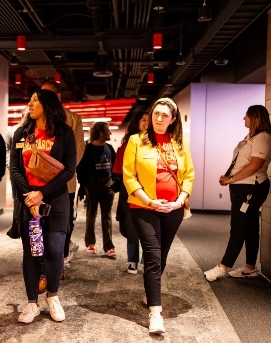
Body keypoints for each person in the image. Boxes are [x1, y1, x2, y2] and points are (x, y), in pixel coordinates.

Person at [123, 97, 194, 334]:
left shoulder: (179, 144)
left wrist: (179, 201)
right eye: (156, 114)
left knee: (161, 255)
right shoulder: (136, 141)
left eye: (164, 115)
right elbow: (129, 176)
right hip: (144, 208)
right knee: (153, 256)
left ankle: (149, 292)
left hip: (173, 209)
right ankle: (155, 313)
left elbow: (189, 176)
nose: (159, 118)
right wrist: (150, 201)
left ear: (173, 120)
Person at [9, 89, 76, 323]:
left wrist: (42, 193)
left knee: (55, 250)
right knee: (31, 252)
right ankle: (31, 303)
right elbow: (15, 169)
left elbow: (69, 169)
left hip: (56, 200)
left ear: (48, 105)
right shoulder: (21, 134)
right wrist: (30, 195)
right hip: (28, 202)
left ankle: (52, 296)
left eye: (35, 100)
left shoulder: (65, 134)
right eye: (29, 100)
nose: (29, 103)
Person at [204, 105, 271, 281]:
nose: (244, 118)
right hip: (242, 187)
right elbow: (242, 162)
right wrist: (229, 176)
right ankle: (250, 268)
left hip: (252, 187)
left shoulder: (263, 138)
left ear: (255, 117)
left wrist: (232, 179)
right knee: (250, 227)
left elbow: (255, 165)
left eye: (247, 115)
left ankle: (222, 267)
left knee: (238, 227)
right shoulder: (250, 137)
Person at [41, 81, 85, 268]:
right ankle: (42, 261)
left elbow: (78, 148)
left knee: (64, 221)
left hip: (65, 182)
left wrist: (60, 171)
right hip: (38, 182)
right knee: (40, 221)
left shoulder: (73, 119)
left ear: (58, 97)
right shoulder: (35, 117)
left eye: (46, 95)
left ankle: (62, 257)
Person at [112, 112, 149, 274]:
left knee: (149, 227)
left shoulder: (155, 144)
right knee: (132, 227)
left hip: (150, 190)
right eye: (144, 120)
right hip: (130, 190)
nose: (147, 123)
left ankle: (146, 260)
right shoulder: (127, 145)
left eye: (149, 120)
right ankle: (133, 261)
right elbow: (119, 171)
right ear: (136, 123)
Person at [77, 122, 117, 256]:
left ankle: (109, 246)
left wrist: (115, 183)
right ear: (100, 133)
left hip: (108, 187)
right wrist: (84, 185)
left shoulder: (110, 148)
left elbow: (115, 167)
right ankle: (90, 243)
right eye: (107, 131)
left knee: (107, 216)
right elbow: (81, 170)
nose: (110, 133)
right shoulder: (88, 149)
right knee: (91, 214)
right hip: (92, 187)